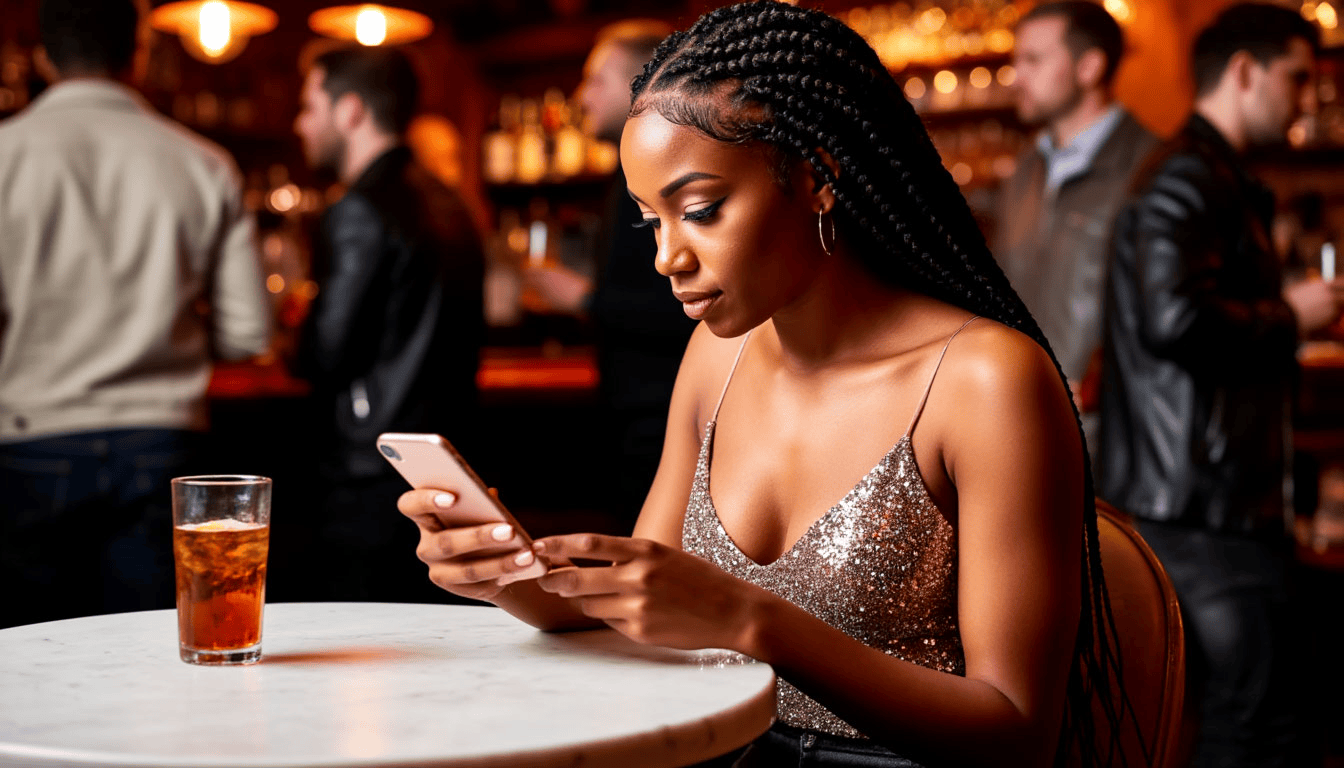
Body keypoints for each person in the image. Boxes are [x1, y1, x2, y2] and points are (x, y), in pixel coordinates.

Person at [400, 3, 1130, 766]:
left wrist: (755, 622)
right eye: (653, 223)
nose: (667, 259)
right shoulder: (716, 360)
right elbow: (639, 602)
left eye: (701, 210)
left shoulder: (986, 382)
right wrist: (509, 578)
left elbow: (1019, 732)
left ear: (816, 176)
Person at [1099, 5, 1340, 766]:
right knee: (1257, 724)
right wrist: (1288, 315)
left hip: (1200, 497)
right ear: (1245, 73)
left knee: (1247, 716)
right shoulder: (1187, 177)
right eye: (1297, 78)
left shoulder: (1202, 173)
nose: (1305, 100)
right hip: (1205, 505)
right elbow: (1175, 322)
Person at [0, 0, 271, 628]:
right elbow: (250, 332)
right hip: (162, 440)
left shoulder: (6, 154)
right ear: (139, 55)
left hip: (25, 437)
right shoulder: (204, 162)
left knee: (26, 662)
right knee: (150, 655)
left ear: (41, 56)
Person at [292, 45, 486, 603]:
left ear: (350, 111)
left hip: (369, 472)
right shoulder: (453, 204)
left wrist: (295, 332)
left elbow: (325, 353)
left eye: (309, 105)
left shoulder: (358, 209)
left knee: (363, 651)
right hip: (448, 465)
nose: (299, 123)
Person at [525, 19, 695, 523]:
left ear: (642, 80)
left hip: (668, 419)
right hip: (635, 416)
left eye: (595, 79)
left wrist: (582, 298)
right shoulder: (623, 175)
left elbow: (685, 307)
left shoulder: (665, 174)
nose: (581, 96)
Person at [995, 0, 1158, 454]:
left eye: (1033, 60)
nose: (1016, 76)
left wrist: (1094, 386)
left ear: (1090, 66)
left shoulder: (1151, 167)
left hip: (1114, 441)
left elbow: (1167, 314)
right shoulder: (1025, 169)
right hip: (1021, 424)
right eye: (1015, 61)